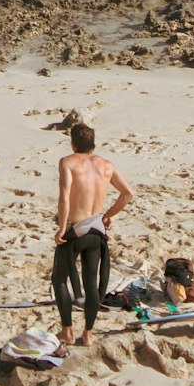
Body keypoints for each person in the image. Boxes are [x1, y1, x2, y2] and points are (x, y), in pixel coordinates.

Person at [51, 122, 134, 347]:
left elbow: (64, 197)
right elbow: (128, 193)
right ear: (93, 143)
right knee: (91, 282)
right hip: (96, 229)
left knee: (59, 279)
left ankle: (67, 331)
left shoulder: (67, 162)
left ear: (73, 142)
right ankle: (88, 334)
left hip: (75, 228)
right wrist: (109, 215)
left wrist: (61, 228)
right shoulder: (106, 165)